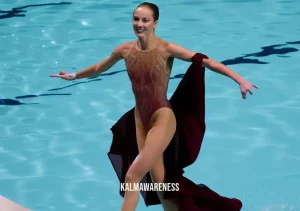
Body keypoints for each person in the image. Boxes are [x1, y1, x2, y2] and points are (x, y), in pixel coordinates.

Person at [51, 2, 258, 211]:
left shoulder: (166, 49)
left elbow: (206, 61)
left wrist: (240, 80)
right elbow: (98, 67)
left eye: (145, 20)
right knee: (162, 188)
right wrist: (74, 75)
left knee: (133, 176)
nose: (139, 24)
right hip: (140, 122)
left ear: (155, 24)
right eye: (136, 19)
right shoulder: (124, 50)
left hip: (162, 118)